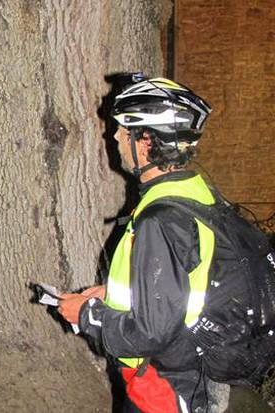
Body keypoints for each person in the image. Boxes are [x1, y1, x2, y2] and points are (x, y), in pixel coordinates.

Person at [58, 76, 228, 413]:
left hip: (164, 384)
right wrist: (111, 293)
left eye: (124, 129)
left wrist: (87, 315)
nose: (115, 136)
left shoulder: (160, 220)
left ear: (146, 140)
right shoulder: (193, 194)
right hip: (193, 370)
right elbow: (186, 279)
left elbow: (151, 333)